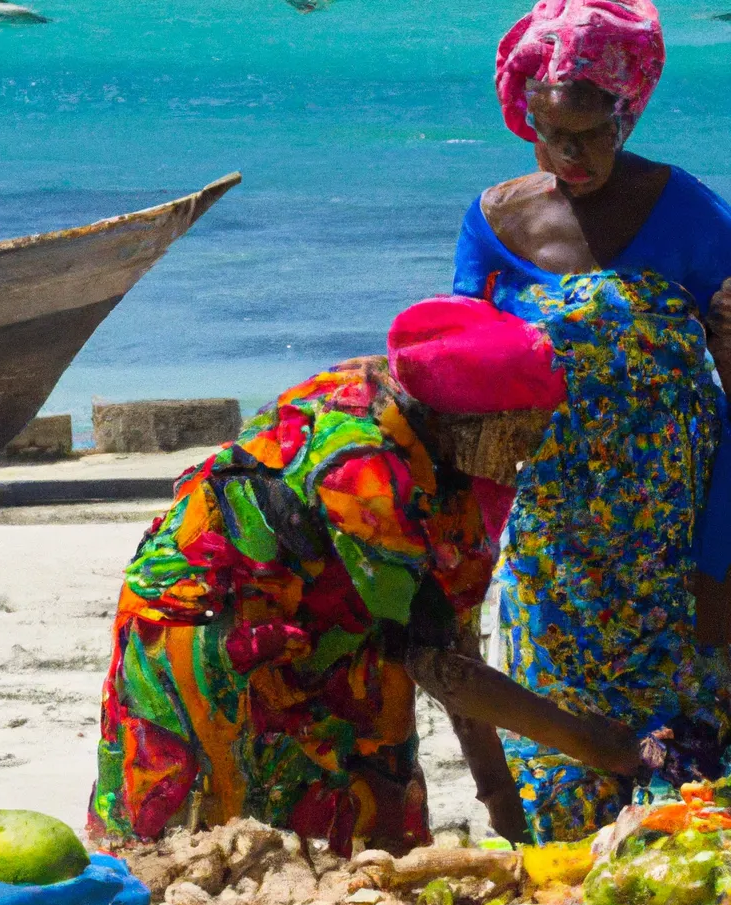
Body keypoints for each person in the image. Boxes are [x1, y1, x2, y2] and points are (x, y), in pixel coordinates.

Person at [88, 290, 712, 855]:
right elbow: (442, 666)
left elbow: (448, 640)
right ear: (467, 422)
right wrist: (604, 747)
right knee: (199, 849)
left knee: (368, 837)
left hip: (333, 624)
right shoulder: (363, 469)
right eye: (519, 432)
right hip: (211, 627)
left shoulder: (417, 406)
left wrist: (502, 804)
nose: (530, 451)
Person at [453, 0, 731, 844]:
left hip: (674, 533)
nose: (569, 157)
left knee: (687, 739)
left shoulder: (686, 209)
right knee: (564, 728)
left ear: (628, 109)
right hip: (555, 535)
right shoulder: (495, 218)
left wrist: (720, 554)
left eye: (590, 133)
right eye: (548, 134)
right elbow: (461, 368)